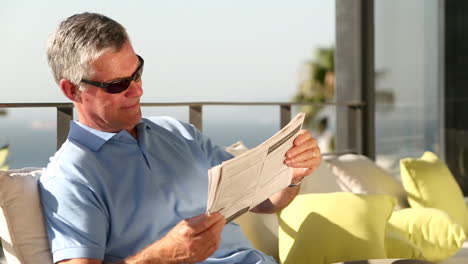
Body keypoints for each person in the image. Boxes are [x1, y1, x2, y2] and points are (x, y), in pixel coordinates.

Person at [39, 12, 321, 264]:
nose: (137, 91)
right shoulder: (71, 176)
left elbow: (263, 202)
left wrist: (291, 175)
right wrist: (161, 257)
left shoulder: (179, 134)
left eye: (137, 73)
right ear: (72, 91)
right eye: (118, 85)